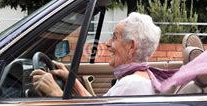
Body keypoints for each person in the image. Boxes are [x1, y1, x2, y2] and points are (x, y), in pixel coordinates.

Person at [31, 12, 163, 97]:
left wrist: (55, 92)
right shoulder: (135, 79)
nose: (107, 43)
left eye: (114, 37)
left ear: (131, 46)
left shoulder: (131, 84)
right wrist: (71, 80)